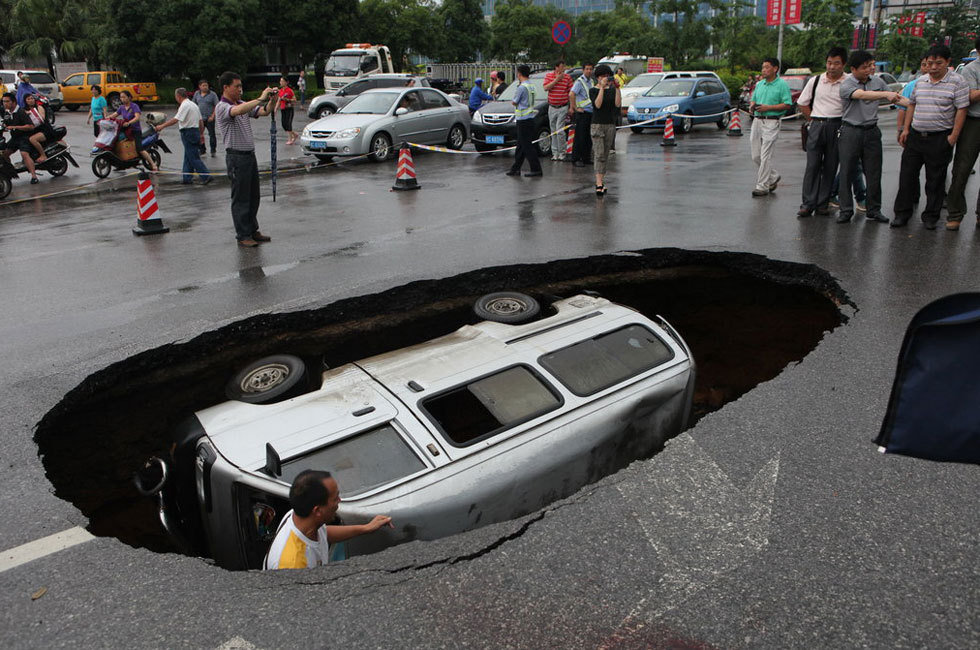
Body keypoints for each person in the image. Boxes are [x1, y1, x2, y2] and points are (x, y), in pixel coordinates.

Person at [893, 45, 969, 229]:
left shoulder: (958, 82)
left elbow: (962, 109)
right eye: (930, 63)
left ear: (948, 62)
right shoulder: (921, 81)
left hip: (940, 137)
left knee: (935, 180)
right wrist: (905, 129)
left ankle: (931, 217)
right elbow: (912, 105)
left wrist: (953, 136)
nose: (933, 67)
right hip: (915, 136)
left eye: (938, 63)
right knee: (907, 177)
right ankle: (902, 214)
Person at [263, 470, 393, 570]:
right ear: (317, 511)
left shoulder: (300, 517)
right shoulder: (292, 565)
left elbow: (324, 533)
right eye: (335, 498)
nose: (339, 501)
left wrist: (366, 528)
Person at [836, 50, 907, 224]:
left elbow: (896, 99)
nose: (869, 70)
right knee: (847, 172)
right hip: (851, 131)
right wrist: (885, 94)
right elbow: (860, 95)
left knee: (874, 172)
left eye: (870, 66)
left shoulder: (877, 81)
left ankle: (874, 209)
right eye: (864, 67)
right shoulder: (846, 84)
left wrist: (916, 104)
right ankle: (845, 210)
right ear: (853, 69)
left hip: (872, 131)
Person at [214, 70, 278, 247]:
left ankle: (252, 229)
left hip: (249, 156)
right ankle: (243, 234)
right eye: (237, 86)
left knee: (253, 196)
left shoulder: (242, 103)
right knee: (241, 198)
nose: (240, 89)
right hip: (236, 157)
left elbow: (264, 111)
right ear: (226, 87)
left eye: (241, 86)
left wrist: (272, 100)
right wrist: (260, 98)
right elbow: (237, 111)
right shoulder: (222, 107)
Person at [797, 47, 848, 217]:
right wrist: (813, 120)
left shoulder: (849, 82)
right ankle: (807, 204)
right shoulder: (816, 80)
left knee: (831, 166)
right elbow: (802, 103)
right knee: (812, 166)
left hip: (838, 126)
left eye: (836, 63)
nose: (832, 67)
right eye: (829, 63)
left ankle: (822, 203)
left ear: (844, 64)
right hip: (817, 125)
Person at [943, 39, 980, 231]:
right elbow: (970, 97)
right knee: (962, 169)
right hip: (974, 122)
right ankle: (955, 214)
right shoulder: (970, 69)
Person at [749, 57, 792, 197]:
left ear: (775, 69)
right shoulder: (760, 84)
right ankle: (773, 176)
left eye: (767, 67)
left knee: (765, 155)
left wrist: (768, 107)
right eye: (763, 67)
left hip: (772, 121)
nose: (764, 70)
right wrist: (752, 106)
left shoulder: (782, 85)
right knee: (756, 155)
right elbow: (754, 99)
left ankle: (762, 186)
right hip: (757, 120)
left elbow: (787, 104)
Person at [153, 88, 212, 185]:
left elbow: (176, 119)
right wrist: (201, 133)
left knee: (193, 157)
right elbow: (200, 121)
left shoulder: (184, 105)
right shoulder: (193, 105)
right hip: (195, 131)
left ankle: (206, 175)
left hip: (188, 132)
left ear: (178, 96)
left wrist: (162, 126)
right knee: (188, 155)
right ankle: (187, 178)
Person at [895, 57, 928, 207]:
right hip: (914, 132)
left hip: (938, 135)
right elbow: (903, 109)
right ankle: (912, 197)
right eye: (924, 64)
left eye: (931, 64)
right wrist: (901, 130)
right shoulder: (913, 85)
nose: (928, 67)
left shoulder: (951, 84)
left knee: (936, 172)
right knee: (910, 169)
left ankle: (938, 201)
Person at [106, 90, 157, 171]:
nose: (122, 99)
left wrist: (129, 123)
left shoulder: (134, 106)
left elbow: (137, 117)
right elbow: (114, 115)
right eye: (121, 97)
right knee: (116, 144)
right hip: (126, 130)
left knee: (140, 149)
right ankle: (121, 164)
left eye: (124, 97)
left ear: (129, 97)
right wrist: (106, 119)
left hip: (135, 130)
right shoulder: (121, 107)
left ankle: (153, 164)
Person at [506, 64, 542, 178]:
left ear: (519, 74)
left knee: (527, 146)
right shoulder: (531, 85)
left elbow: (515, 102)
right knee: (521, 145)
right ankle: (516, 168)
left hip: (523, 119)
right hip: (529, 118)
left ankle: (536, 169)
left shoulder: (521, 87)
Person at [590, 64, 620, 195]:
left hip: (610, 125)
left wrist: (617, 88)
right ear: (598, 77)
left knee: (606, 154)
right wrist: (601, 88)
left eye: (608, 76)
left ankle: (601, 181)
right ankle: (598, 183)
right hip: (597, 125)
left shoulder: (612, 90)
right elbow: (597, 104)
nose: (606, 79)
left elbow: (617, 104)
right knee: (599, 154)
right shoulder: (593, 90)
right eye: (603, 76)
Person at [1, 91, 41, 183]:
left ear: (13, 102)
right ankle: (10, 172)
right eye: (3, 101)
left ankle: (34, 176)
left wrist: (14, 127)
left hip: (25, 137)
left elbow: (30, 126)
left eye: (7, 101)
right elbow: (5, 124)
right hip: (15, 138)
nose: (5, 104)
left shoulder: (21, 112)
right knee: (4, 154)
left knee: (24, 154)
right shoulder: (7, 113)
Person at [543, 61, 573, 161]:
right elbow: (546, 87)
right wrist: (557, 80)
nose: (563, 69)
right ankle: (555, 153)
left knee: (560, 130)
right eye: (561, 67)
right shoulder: (549, 76)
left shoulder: (567, 78)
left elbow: (571, 92)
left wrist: (571, 107)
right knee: (553, 130)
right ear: (556, 68)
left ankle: (562, 152)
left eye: (564, 67)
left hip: (563, 106)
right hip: (552, 106)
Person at [569, 63, 594, 167]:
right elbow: (572, 94)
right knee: (580, 137)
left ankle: (586, 158)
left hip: (590, 112)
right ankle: (576, 158)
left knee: (588, 137)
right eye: (587, 69)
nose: (589, 71)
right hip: (582, 113)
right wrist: (574, 107)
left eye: (590, 69)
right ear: (583, 70)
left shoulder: (591, 81)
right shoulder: (580, 81)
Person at [192, 80, 220, 157]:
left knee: (212, 135)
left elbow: (217, 106)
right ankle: (202, 150)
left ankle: (213, 150)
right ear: (199, 86)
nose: (205, 87)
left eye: (206, 85)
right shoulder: (197, 94)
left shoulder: (212, 94)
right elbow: (193, 104)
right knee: (199, 134)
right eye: (203, 85)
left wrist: (213, 116)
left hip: (209, 118)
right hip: (200, 118)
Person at [277, 76, 298, 146]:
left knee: (288, 124)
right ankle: (294, 134)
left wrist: (288, 99)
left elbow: (294, 99)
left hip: (289, 108)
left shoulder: (289, 90)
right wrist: (276, 108)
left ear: (286, 82)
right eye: (280, 81)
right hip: (283, 108)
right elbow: (279, 100)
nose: (281, 82)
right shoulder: (280, 91)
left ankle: (290, 139)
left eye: (282, 81)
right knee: (284, 124)